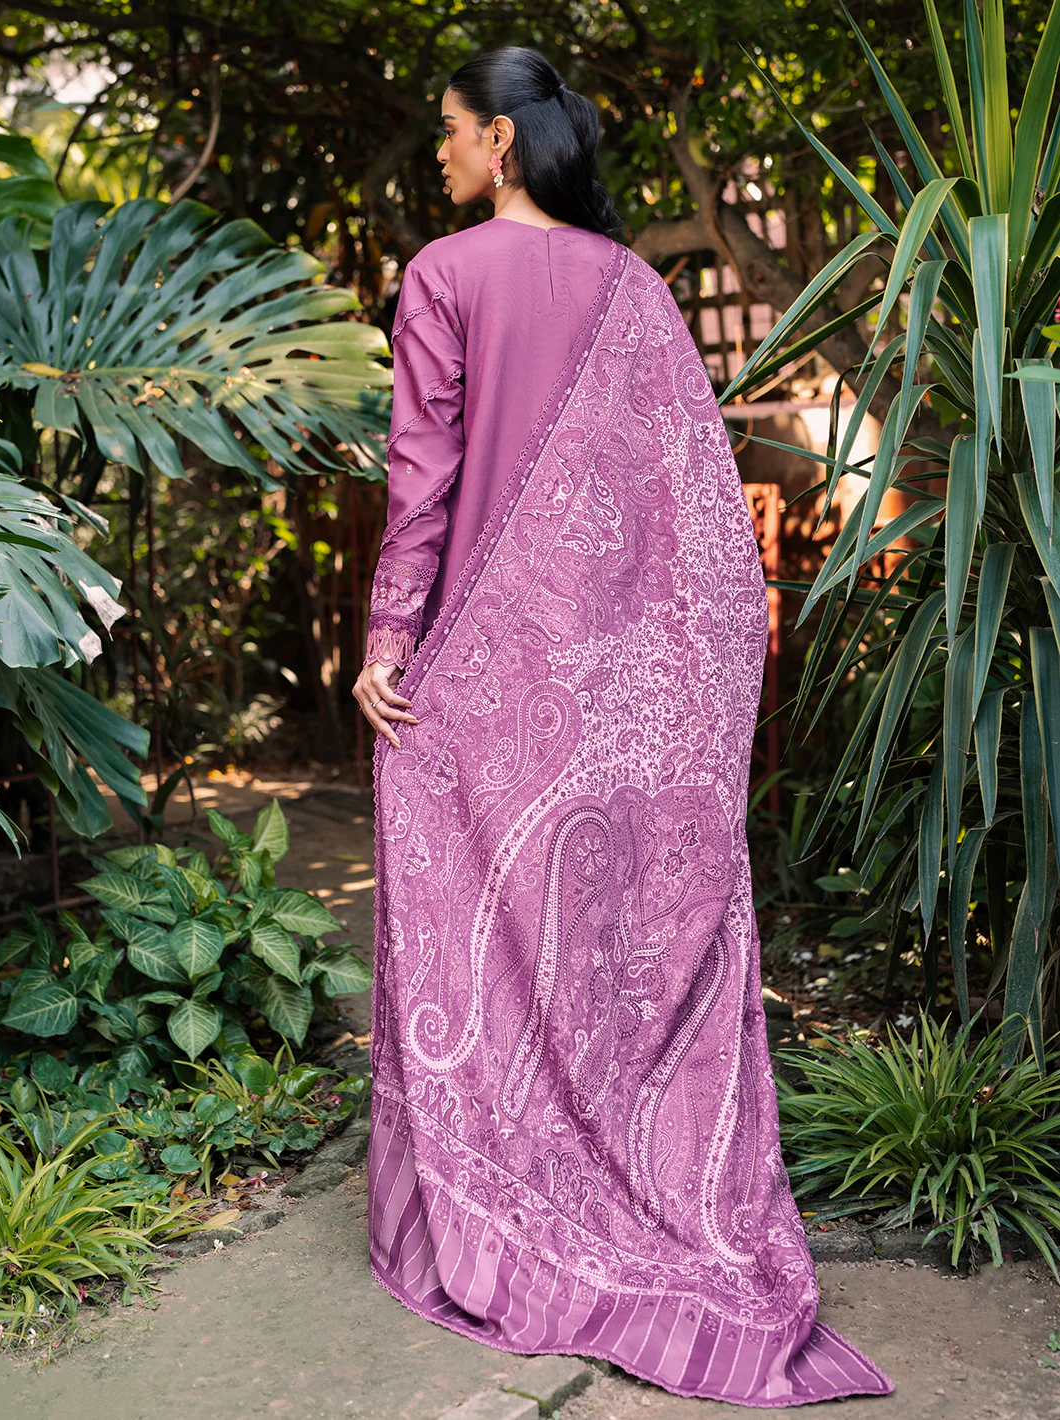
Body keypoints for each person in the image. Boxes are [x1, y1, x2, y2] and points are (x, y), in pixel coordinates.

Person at [353, 45, 893, 1408]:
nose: (439, 151)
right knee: (596, 927)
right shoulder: (638, 290)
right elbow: (695, 515)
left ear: (498, 145)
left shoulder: (443, 275)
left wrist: (387, 641)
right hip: (616, 684)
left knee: (478, 917)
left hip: (481, 666)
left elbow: (424, 478)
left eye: (449, 130)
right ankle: (630, 1184)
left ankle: (501, 1194)